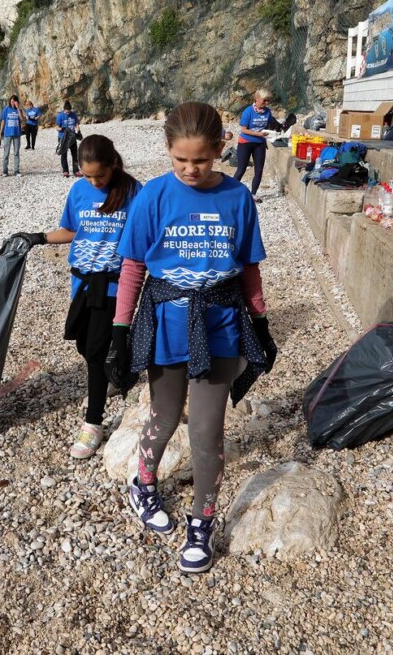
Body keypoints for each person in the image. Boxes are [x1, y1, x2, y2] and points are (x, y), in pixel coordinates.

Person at [105, 101, 277, 574]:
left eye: (200, 160)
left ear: (221, 149)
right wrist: (120, 332)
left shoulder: (238, 198)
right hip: (164, 323)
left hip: (220, 325)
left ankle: (201, 520)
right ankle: (142, 484)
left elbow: (250, 268)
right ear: (168, 151)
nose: (190, 169)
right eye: (180, 160)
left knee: (206, 431)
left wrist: (260, 323)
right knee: (162, 417)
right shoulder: (154, 196)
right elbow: (134, 267)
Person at [13, 134, 141, 459]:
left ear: (114, 163)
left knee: (96, 351)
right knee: (86, 345)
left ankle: (93, 423)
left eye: (100, 174)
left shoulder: (133, 192)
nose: (95, 181)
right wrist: (37, 237)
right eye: (88, 175)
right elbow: (72, 230)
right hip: (81, 283)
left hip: (114, 285)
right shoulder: (79, 190)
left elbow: (146, 238)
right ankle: (117, 372)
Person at [233, 90, 282, 202]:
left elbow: (270, 124)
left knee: (259, 170)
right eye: (264, 100)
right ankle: (230, 193)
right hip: (245, 142)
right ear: (257, 98)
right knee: (241, 169)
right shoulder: (248, 111)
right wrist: (258, 134)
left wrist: (274, 132)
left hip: (259, 143)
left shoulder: (267, 112)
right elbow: (244, 130)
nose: (266, 103)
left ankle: (253, 194)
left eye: (268, 101)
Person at [0, 95, 24, 177]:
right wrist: (0, 134)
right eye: (11, 101)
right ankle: (5, 171)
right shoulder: (6, 109)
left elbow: (22, 119)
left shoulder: (18, 110)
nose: (12, 103)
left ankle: (16, 171)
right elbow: (3, 122)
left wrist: (18, 108)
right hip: (7, 134)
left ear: (17, 102)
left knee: (16, 153)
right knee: (6, 153)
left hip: (17, 134)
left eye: (14, 101)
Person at [56, 101, 82, 178]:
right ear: (64, 110)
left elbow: (76, 124)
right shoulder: (60, 116)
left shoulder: (73, 114)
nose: (68, 113)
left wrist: (78, 131)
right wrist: (63, 129)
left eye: (69, 112)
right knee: (64, 154)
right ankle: (65, 171)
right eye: (66, 112)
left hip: (72, 137)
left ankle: (76, 170)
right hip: (63, 137)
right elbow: (57, 127)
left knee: (74, 154)